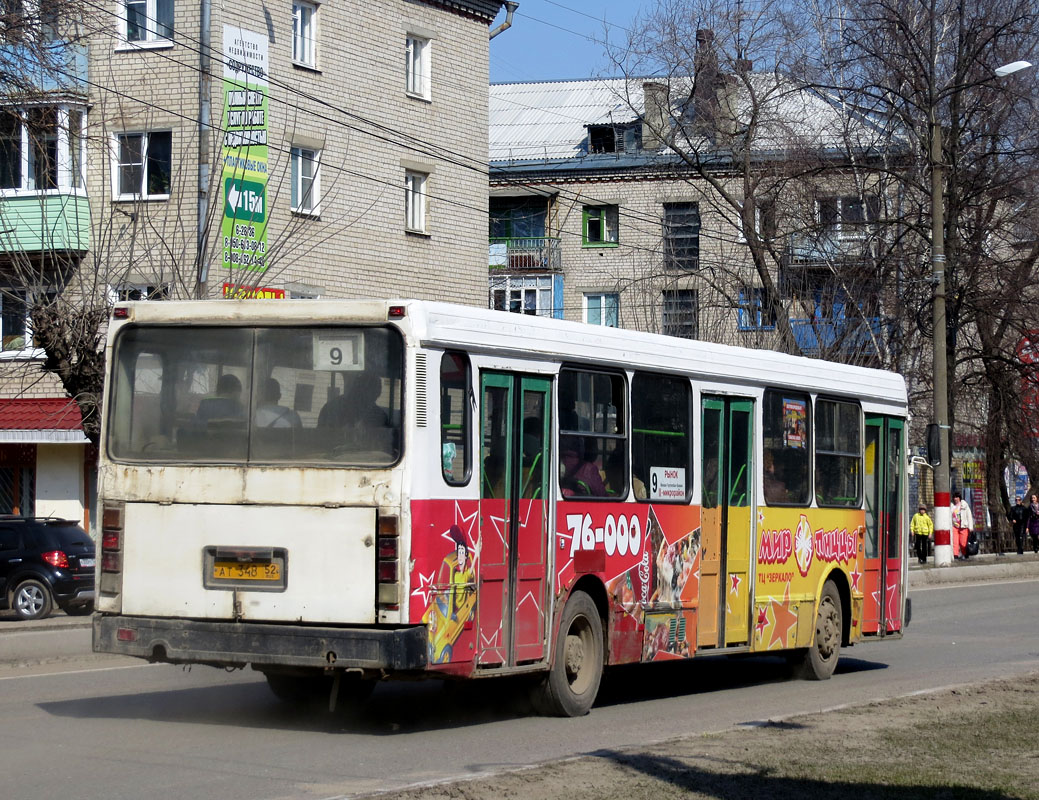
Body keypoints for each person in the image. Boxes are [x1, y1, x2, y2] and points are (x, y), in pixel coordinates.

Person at [951, 492, 974, 561]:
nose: (955, 499)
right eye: (954, 497)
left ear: (959, 498)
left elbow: (969, 516)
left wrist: (970, 527)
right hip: (954, 527)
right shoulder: (952, 507)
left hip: (963, 527)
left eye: (957, 497)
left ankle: (964, 554)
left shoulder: (964, 506)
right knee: (955, 542)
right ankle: (955, 555)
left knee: (963, 542)